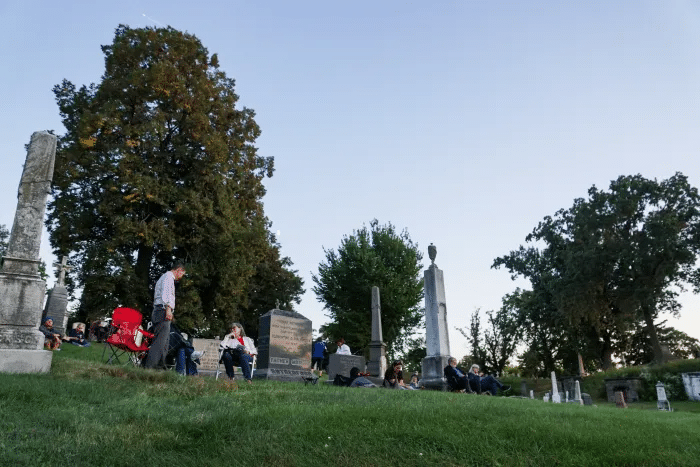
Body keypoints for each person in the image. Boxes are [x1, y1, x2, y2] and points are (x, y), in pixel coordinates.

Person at [145, 261, 186, 369]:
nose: (181, 277)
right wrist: (168, 310)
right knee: (160, 342)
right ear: (179, 270)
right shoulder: (168, 277)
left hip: (160, 311)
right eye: (182, 274)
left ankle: (160, 368)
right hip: (162, 311)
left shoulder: (165, 278)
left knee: (164, 343)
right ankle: (150, 368)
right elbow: (167, 295)